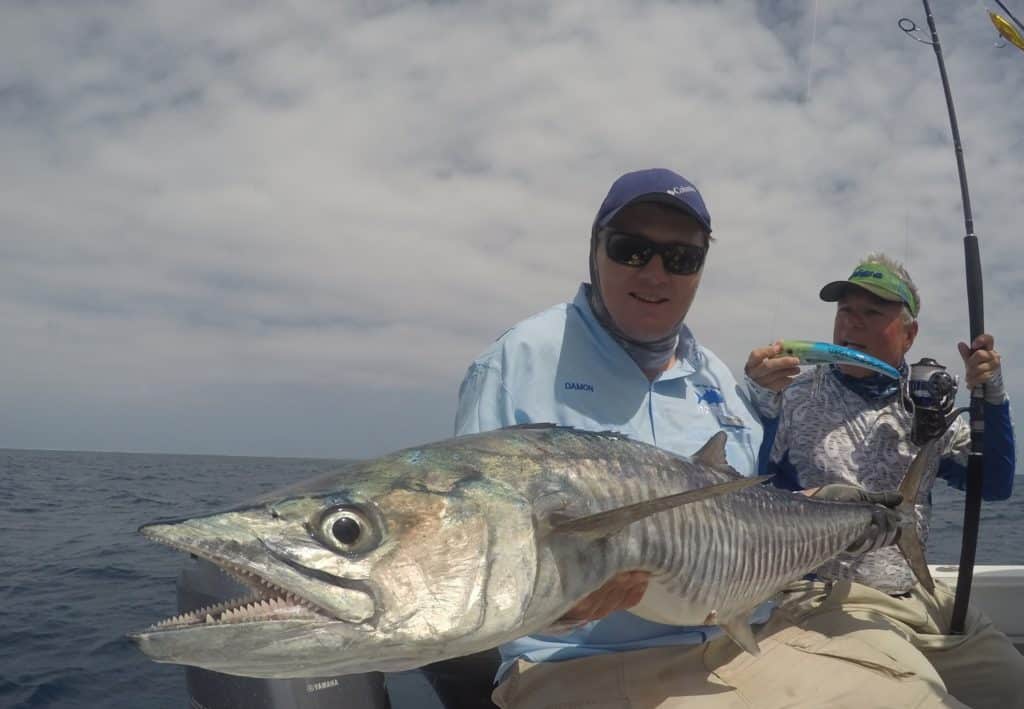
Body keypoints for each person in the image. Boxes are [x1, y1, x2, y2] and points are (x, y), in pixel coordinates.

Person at [447, 170, 969, 709]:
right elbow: (478, 558)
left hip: (737, 644)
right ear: (595, 248)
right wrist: (564, 603)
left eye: (681, 258)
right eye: (632, 250)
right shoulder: (518, 361)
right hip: (581, 663)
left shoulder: (717, 379)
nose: (654, 273)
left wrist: (825, 513)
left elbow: (749, 516)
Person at [744, 252, 1021, 709]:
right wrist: (759, 399)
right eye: (845, 311)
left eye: (873, 313)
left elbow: (993, 485)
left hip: (917, 596)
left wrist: (992, 395)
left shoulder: (929, 404)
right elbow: (751, 487)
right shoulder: (793, 394)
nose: (852, 325)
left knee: (1011, 685)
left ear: (909, 334)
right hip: (827, 595)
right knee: (918, 698)